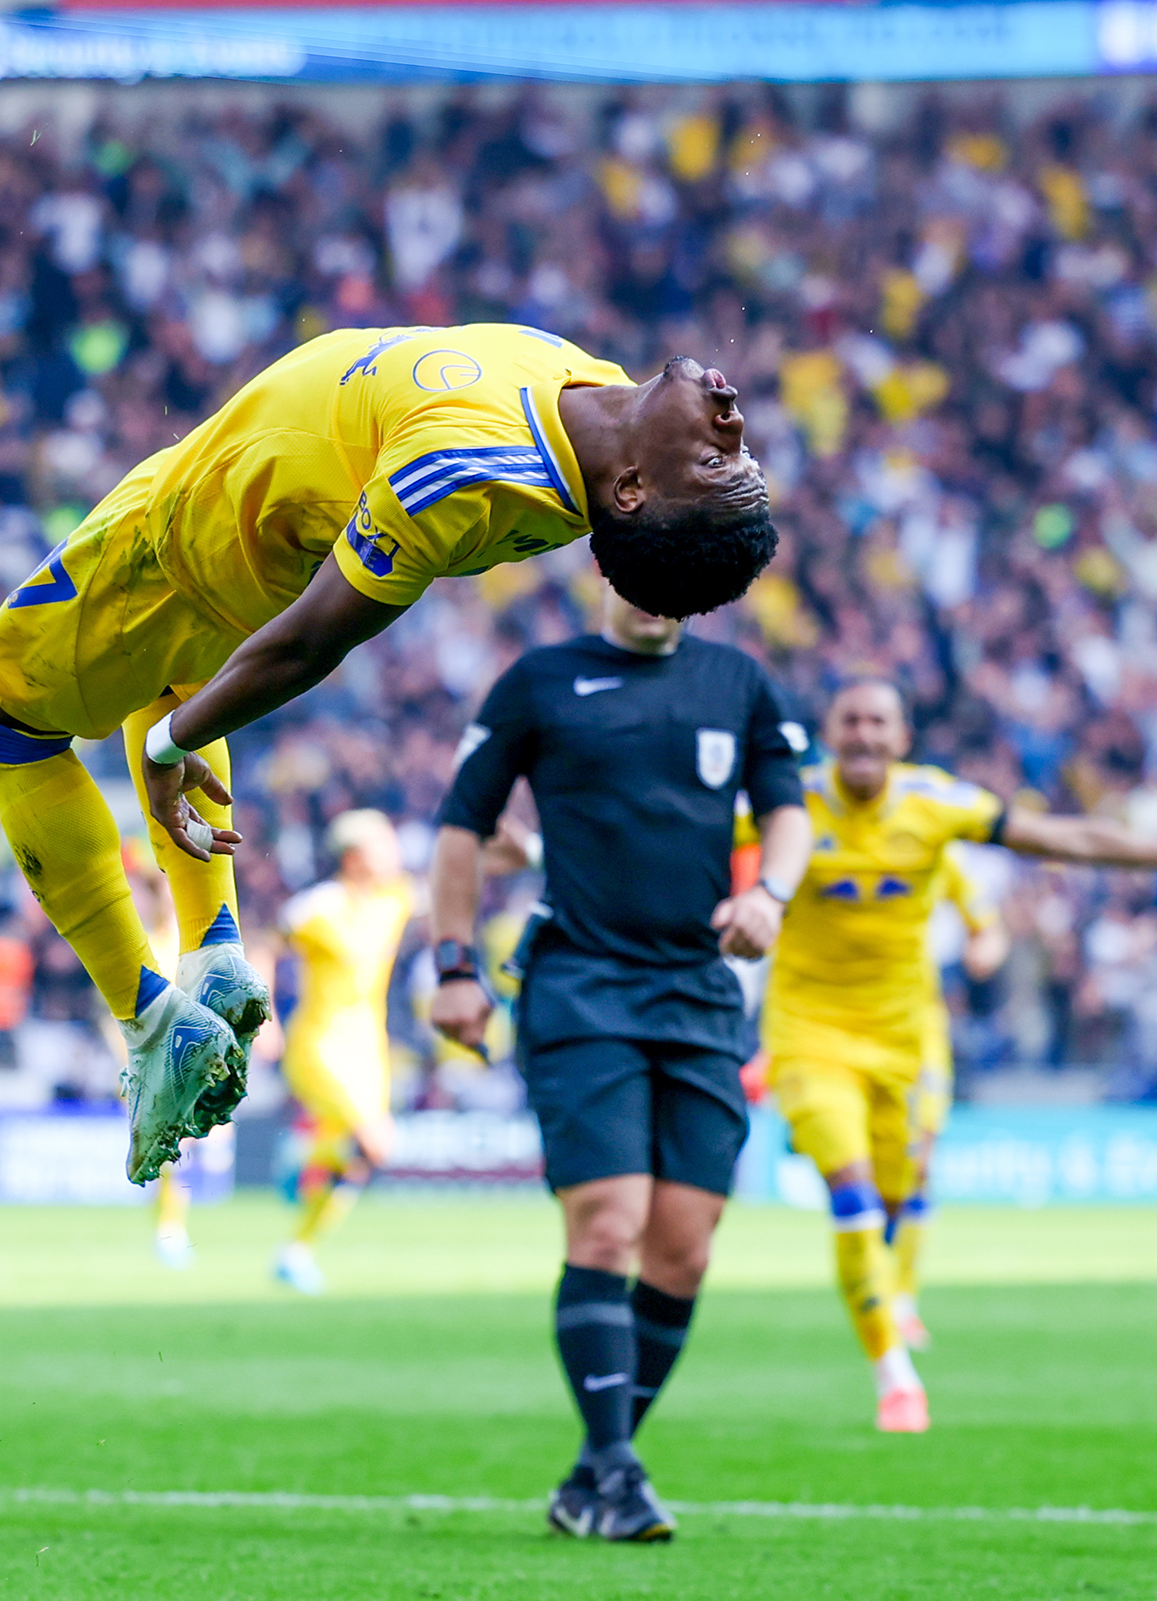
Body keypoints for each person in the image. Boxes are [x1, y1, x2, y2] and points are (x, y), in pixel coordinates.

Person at [0, 324, 777, 1185]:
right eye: (740, 452)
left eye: (722, 464)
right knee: (164, 682)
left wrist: (171, 746)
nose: (731, 422)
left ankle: (149, 1018)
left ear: (637, 489)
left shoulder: (467, 470)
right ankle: (214, 948)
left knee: (0, 726)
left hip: (188, 538)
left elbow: (311, 643)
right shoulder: (599, 396)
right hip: (226, 501)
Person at [767, 679, 1157, 1433]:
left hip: (905, 1037)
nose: (865, 734)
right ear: (828, 730)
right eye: (851, 720)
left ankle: (897, 1295)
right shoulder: (785, 806)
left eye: (880, 721)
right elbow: (676, 834)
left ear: (902, 737)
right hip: (809, 1032)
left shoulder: (937, 804)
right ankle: (892, 1372)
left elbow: (1068, 839)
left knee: (903, 1192)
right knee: (851, 1189)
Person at [428, 582, 811, 1544]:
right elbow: (460, 827)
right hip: (581, 987)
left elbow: (790, 811)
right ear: (603, 572)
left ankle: (593, 1470)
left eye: (670, 578)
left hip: (697, 990)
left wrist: (770, 891)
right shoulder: (539, 681)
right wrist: (454, 965)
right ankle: (617, 1470)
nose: (651, 595)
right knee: (609, 1225)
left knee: (684, 1244)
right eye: (634, 575)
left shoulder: (739, 682)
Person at [270, 809, 416, 1297]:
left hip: (369, 1052)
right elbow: (266, 947)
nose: (395, 854)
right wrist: (264, 1015)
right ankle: (298, 1162)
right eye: (384, 845)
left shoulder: (395, 900)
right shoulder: (318, 907)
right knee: (375, 1141)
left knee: (354, 1159)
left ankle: (296, 1252)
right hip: (319, 1044)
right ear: (354, 857)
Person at [887, 850, 1010, 1352]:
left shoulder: (938, 852)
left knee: (920, 1165)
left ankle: (901, 1301)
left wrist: (989, 946)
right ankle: (874, 1284)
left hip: (920, 1029)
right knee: (870, 1172)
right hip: (849, 1022)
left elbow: (988, 924)